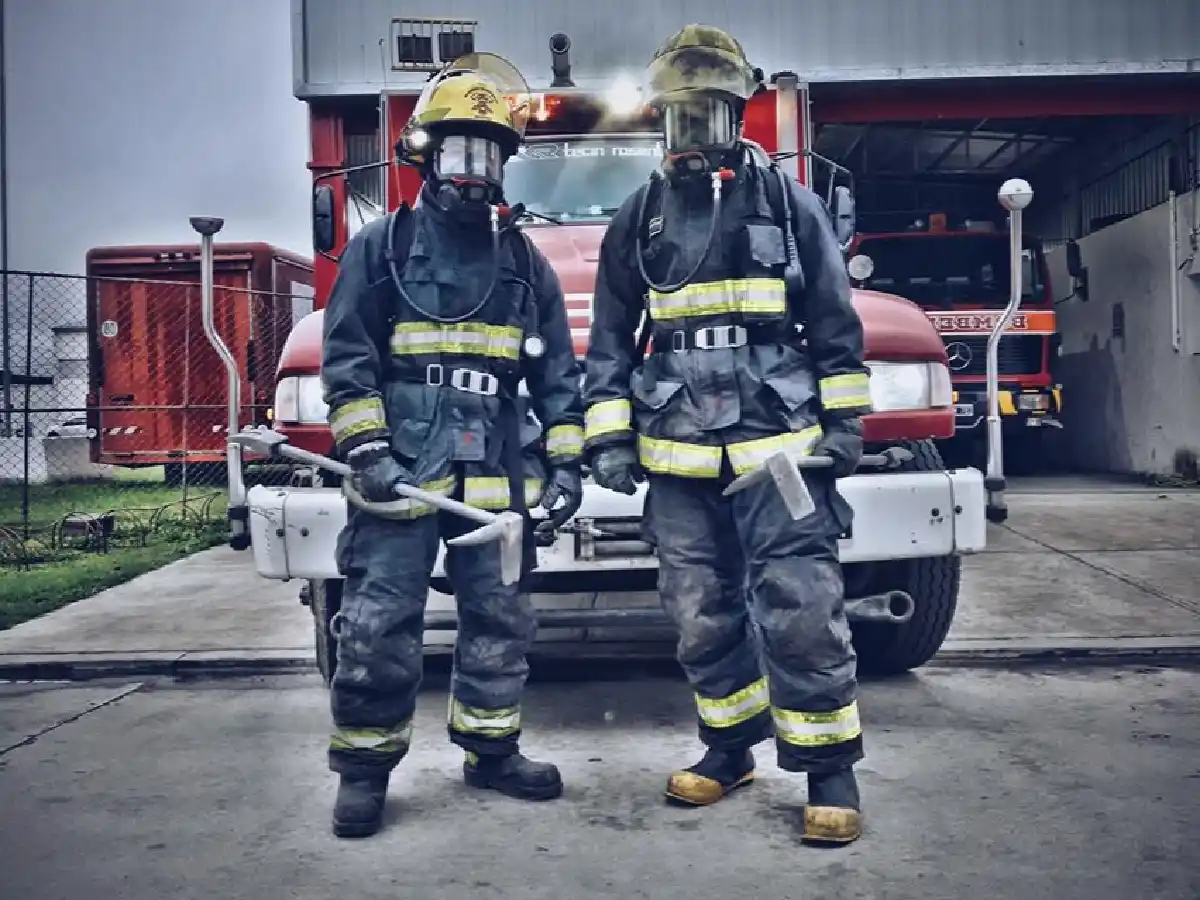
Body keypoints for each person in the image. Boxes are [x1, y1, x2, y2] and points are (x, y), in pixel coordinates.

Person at [582, 25, 873, 845]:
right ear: (659, 120)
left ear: (737, 117)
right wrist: (608, 437)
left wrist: (845, 425)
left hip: (780, 447)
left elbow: (835, 325)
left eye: (708, 115)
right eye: (680, 116)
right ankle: (729, 747)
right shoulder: (639, 217)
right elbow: (609, 341)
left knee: (802, 605)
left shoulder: (789, 204)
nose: (693, 133)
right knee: (698, 610)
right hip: (678, 452)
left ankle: (828, 768)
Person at [320, 52, 585, 838]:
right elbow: (347, 358)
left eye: (487, 156)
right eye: (459, 153)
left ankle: (492, 750)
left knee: (500, 620)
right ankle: (365, 769)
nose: (473, 172)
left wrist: (565, 463)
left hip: (496, 474)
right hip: (402, 471)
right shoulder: (382, 248)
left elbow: (556, 376)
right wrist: (368, 450)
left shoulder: (523, 262)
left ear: (504, 166)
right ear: (425, 156)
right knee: (377, 621)